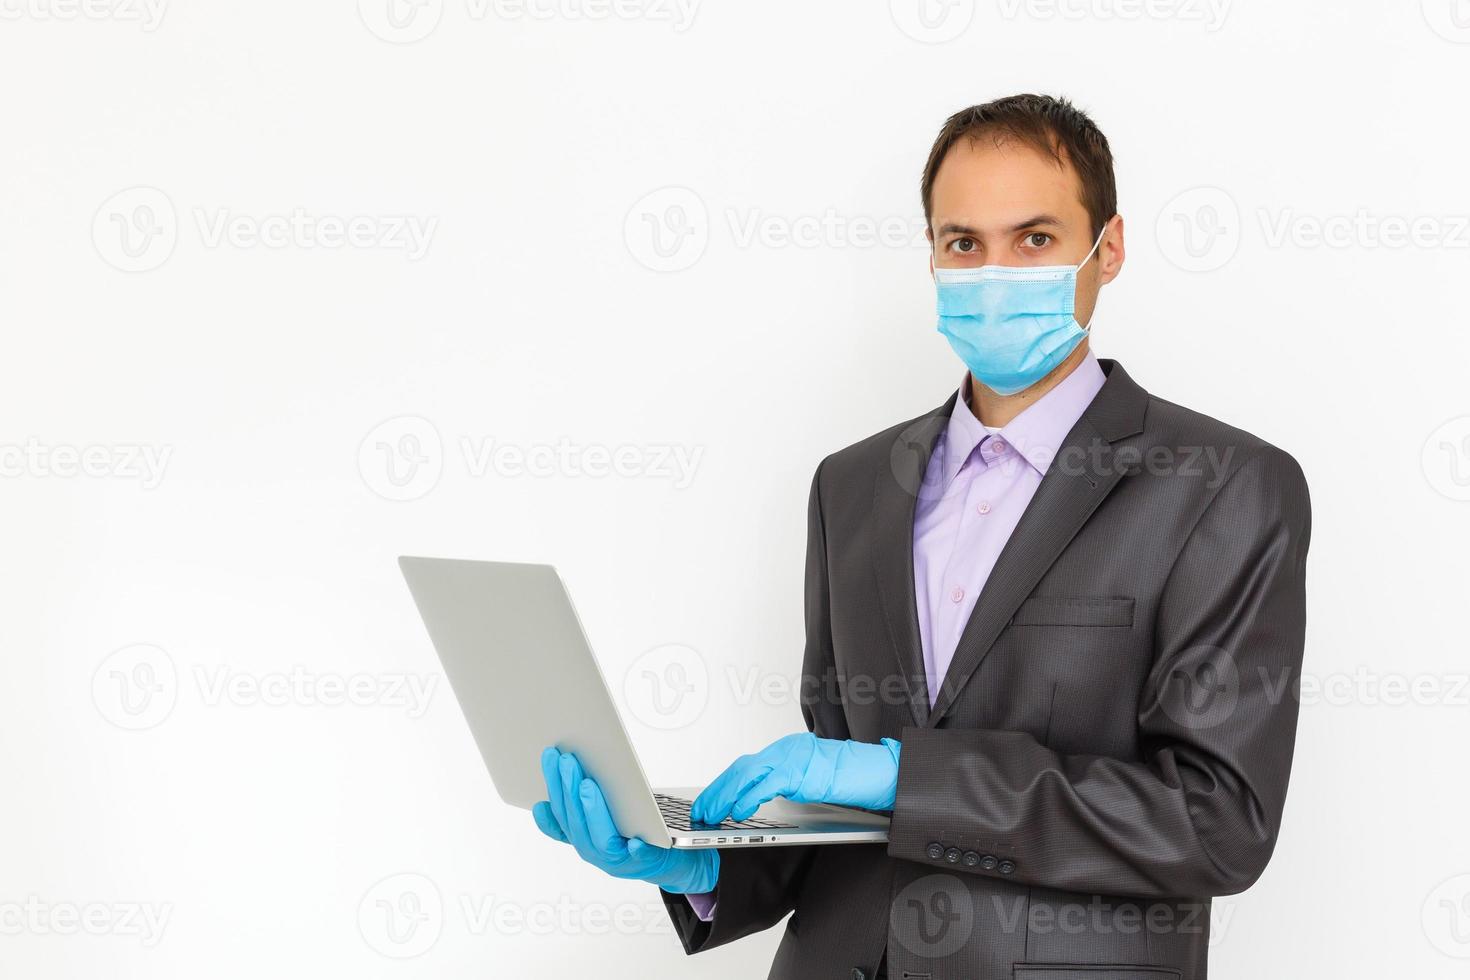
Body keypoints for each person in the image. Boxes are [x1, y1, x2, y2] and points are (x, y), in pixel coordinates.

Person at [532, 93, 1311, 980]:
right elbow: (844, 821)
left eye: (1036, 239)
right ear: (934, 255)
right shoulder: (852, 485)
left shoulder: (1222, 486)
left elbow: (1217, 823)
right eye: (964, 243)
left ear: (1111, 248)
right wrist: (706, 865)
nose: (994, 272)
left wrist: (907, 776)